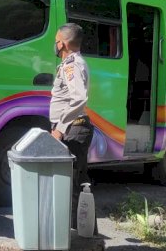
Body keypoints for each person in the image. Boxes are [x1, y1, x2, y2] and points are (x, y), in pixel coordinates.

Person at [49, 23, 97, 234]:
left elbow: (78, 98)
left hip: (72, 129)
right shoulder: (72, 63)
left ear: (64, 43)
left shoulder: (71, 65)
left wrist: (60, 128)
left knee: (72, 186)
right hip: (74, 128)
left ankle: (79, 237)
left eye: (57, 40)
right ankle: (86, 235)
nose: (55, 44)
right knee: (77, 184)